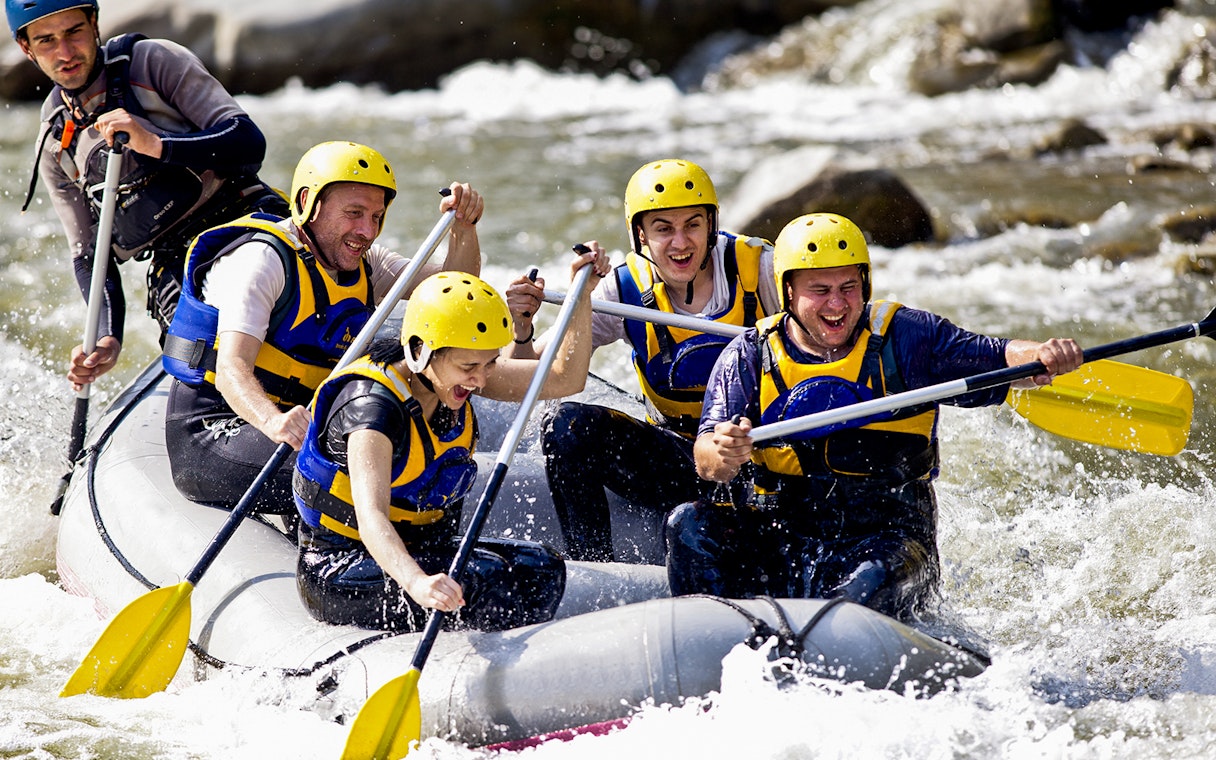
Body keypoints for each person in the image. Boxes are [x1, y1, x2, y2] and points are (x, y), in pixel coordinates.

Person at [668, 212, 1084, 619]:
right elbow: (707, 460)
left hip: (889, 542)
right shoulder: (748, 354)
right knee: (689, 524)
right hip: (785, 535)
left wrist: (1041, 356)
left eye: (849, 287)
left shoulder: (906, 337)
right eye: (820, 290)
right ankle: (713, 634)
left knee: (866, 585)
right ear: (788, 291)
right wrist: (724, 451)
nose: (837, 304)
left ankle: (838, 633)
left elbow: (1001, 359)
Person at [161, 140, 484, 517]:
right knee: (371, 470)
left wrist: (464, 228)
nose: (367, 231)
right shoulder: (262, 261)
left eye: (376, 217)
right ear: (307, 205)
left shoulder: (365, 263)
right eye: (354, 213)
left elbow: (454, 293)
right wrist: (274, 421)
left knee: (412, 455)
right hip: (216, 430)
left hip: (299, 425)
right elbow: (232, 370)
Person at [292, 251, 609, 632]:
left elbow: (564, 379)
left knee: (541, 568)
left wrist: (583, 294)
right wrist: (417, 583)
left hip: (420, 550)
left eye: (489, 364)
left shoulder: (451, 374)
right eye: (469, 367)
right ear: (419, 351)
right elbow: (372, 517)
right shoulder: (370, 410)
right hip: (343, 566)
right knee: (482, 579)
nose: (481, 379)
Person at [506, 158, 780, 562]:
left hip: (758, 460)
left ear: (712, 224)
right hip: (679, 458)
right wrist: (522, 327)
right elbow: (534, 376)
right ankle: (593, 565)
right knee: (567, 424)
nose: (681, 243)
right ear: (641, 235)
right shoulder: (623, 288)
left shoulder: (762, 268)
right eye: (663, 229)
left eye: (692, 224)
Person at [7, 0, 291, 389]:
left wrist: (157, 144)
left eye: (73, 32)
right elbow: (90, 254)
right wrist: (108, 336)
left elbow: (247, 143)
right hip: (176, 263)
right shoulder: (56, 143)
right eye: (46, 41)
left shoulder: (154, 63)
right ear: (26, 48)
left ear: (94, 23)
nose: (65, 53)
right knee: (196, 371)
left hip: (242, 216)